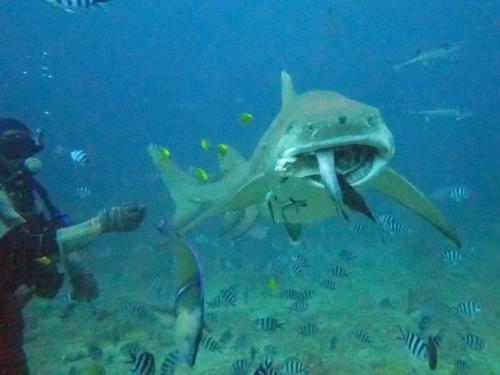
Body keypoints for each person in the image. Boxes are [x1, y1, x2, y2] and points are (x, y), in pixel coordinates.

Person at [0, 118, 146, 374]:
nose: (21, 158)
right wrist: (100, 224)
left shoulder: (27, 191)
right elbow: (26, 244)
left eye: (27, 148)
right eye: (13, 148)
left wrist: (77, 268)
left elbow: (52, 227)